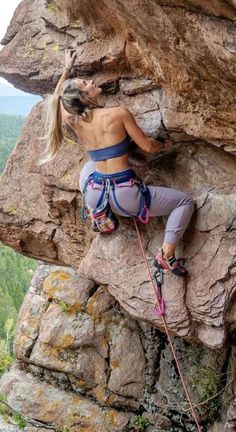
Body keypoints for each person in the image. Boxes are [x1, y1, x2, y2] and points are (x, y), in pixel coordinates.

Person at [38, 49, 195, 277]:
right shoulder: (118, 114)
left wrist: (66, 70)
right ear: (83, 97)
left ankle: (99, 214)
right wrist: (166, 144)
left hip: (95, 193)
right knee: (185, 202)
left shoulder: (73, 120)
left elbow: (56, 100)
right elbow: (148, 147)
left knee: (89, 167)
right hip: (126, 197)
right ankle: (167, 255)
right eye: (86, 83)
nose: (91, 81)